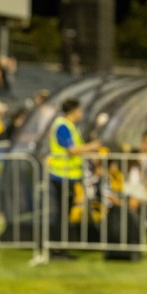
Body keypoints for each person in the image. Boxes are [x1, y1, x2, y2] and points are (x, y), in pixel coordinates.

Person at [48, 98, 102, 258]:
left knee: (64, 213)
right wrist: (92, 147)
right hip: (62, 175)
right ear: (74, 111)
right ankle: (57, 250)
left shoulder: (68, 126)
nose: (81, 113)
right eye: (80, 110)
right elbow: (72, 150)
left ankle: (60, 248)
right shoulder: (63, 126)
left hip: (68, 176)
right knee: (61, 214)